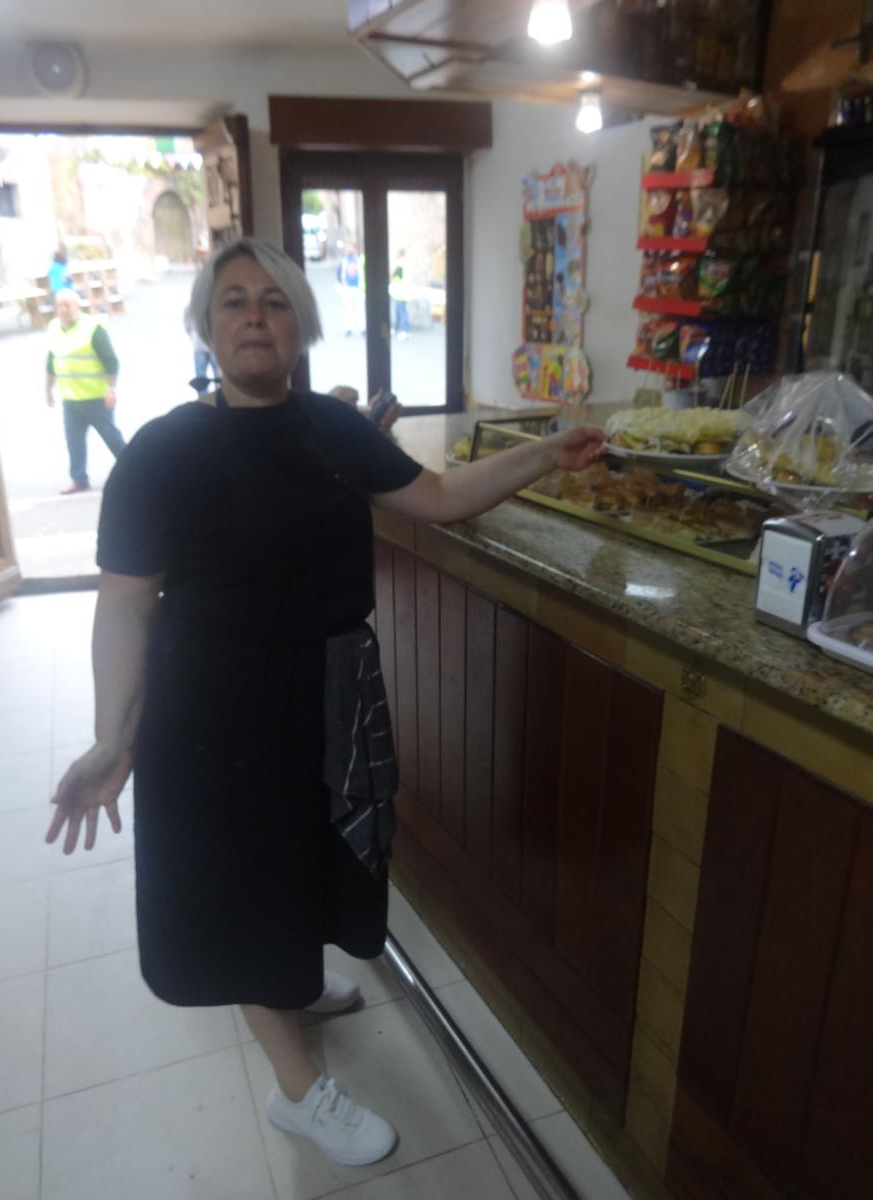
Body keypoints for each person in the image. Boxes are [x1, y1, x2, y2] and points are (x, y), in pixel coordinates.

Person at [45, 237, 605, 1168]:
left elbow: (439, 496)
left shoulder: (335, 430)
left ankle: (294, 983)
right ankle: (299, 1091)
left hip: (330, 690)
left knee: (308, 857)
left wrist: (547, 453)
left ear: (300, 325)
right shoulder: (161, 452)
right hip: (213, 709)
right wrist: (115, 737)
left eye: (273, 302)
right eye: (233, 302)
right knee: (242, 887)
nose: (254, 317)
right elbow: (125, 605)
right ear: (204, 325)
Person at [46, 288, 126, 494]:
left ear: (77, 306)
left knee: (112, 438)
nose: (63, 310)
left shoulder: (92, 328)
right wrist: (48, 389)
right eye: (59, 305)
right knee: (74, 443)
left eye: (67, 305)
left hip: (96, 398)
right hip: (71, 399)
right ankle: (79, 479)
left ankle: (135, 468)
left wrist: (111, 389)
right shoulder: (54, 328)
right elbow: (51, 361)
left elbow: (111, 361)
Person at [183, 303, 219, 394]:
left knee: (200, 377)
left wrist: (193, 337)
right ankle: (220, 398)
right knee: (218, 376)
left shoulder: (190, 307)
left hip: (198, 345)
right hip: (212, 344)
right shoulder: (212, 304)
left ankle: (203, 399)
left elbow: (187, 326)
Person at [337, 241, 364, 336]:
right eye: (348, 247)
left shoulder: (359, 260)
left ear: (355, 249)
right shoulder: (344, 261)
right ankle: (349, 328)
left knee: (360, 309)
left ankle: (362, 328)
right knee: (348, 309)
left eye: (351, 247)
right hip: (347, 288)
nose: (349, 249)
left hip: (358, 287)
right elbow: (339, 272)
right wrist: (341, 281)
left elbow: (363, 273)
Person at [390, 250, 411, 340]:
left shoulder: (400, 266)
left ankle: (405, 330)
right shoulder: (405, 265)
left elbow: (395, 278)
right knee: (399, 312)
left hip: (400, 293)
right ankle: (397, 329)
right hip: (402, 293)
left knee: (402, 312)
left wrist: (392, 276)